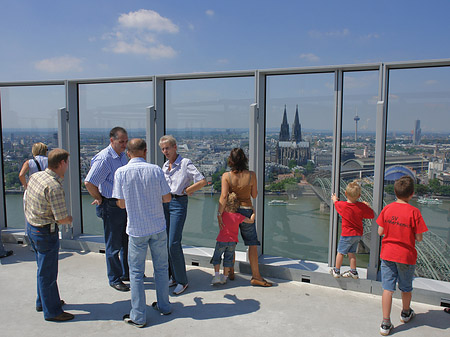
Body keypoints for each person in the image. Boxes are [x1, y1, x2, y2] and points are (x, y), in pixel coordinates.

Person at [112, 139, 172, 328]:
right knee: (161, 269)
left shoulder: (121, 172)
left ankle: (138, 315)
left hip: (136, 229)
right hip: (158, 226)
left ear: (127, 153)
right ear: (145, 151)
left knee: (136, 273)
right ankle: (164, 305)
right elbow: (167, 198)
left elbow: (121, 203)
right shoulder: (155, 170)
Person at [25, 148, 74, 321]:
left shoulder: (36, 176)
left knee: (42, 269)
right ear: (61, 163)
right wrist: (70, 219)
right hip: (45, 232)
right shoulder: (54, 186)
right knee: (48, 273)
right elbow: (61, 219)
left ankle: (43, 301)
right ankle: (52, 311)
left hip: (32, 228)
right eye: (67, 162)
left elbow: (26, 199)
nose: (68, 166)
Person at [377, 175, 428, 336]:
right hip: (406, 256)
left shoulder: (387, 208)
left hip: (387, 254)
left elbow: (380, 232)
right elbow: (419, 238)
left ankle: (385, 322)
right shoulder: (414, 212)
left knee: (387, 288)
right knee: (406, 288)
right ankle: (405, 313)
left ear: (395, 192)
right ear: (412, 193)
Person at [159, 135, 207, 295]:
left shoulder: (185, 163)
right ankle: (173, 276)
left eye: (167, 148)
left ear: (175, 147)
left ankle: (182, 281)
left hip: (178, 203)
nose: (165, 151)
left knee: (173, 242)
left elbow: (201, 180)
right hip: (165, 203)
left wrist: (187, 191)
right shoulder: (165, 166)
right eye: (163, 149)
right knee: (166, 242)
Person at [218, 147, 272, 287]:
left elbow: (224, 197)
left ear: (230, 160)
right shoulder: (251, 175)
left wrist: (219, 214)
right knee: (252, 244)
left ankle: (230, 271)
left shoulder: (226, 176)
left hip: (231, 212)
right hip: (247, 210)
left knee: (231, 242)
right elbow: (254, 195)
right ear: (244, 159)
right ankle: (256, 276)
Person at [85, 127, 130, 292]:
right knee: (113, 244)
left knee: (126, 241)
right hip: (111, 205)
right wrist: (99, 198)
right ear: (112, 140)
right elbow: (89, 182)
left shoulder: (122, 156)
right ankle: (114, 278)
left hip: (123, 204)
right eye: (121, 142)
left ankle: (126, 273)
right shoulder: (104, 159)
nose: (125, 145)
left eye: (126, 141)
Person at [329, 181, 374, 279]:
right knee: (351, 253)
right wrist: (366, 206)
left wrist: (334, 199)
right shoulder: (361, 207)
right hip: (357, 235)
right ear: (359, 196)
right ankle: (354, 271)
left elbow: (336, 203)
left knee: (340, 252)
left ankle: (336, 270)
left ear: (345, 193)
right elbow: (371, 215)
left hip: (346, 234)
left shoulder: (343, 205)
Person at [211, 192, 254, 285]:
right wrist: (254, 212)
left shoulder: (222, 215)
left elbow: (219, 208)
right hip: (232, 242)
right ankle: (225, 277)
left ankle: (217, 275)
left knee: (216, 258)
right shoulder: (239, 216)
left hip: (221, 240)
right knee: (228, 259)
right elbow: (251, 221)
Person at [19, 142, 49, 244]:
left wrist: (26, 186)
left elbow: (21, 175)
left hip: (32, 191)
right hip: (46, 192)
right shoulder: (50, 161)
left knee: (30, 216)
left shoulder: (29, 162)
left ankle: (32, 241)